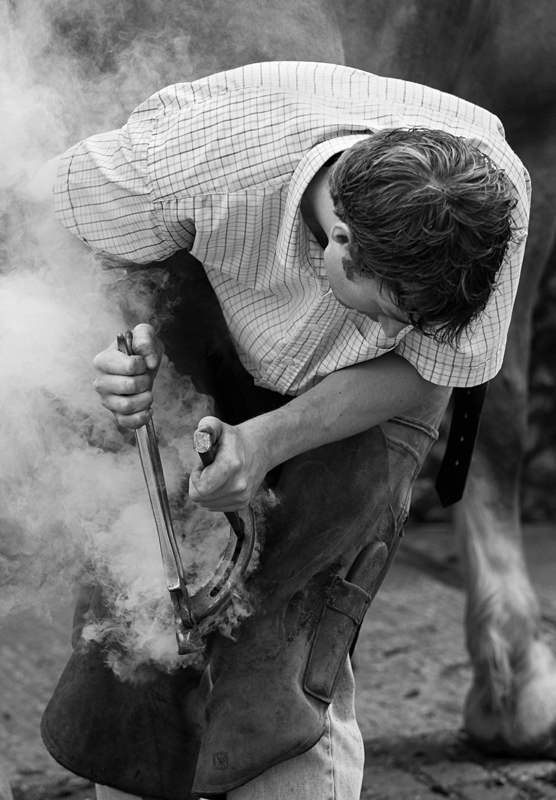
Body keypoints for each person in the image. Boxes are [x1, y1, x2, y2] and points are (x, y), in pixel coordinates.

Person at [31, 61, 529, 800]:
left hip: (370, 397)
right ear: (337, 241)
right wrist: (116, 345)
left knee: (289, 638)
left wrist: (267, 441)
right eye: (388, 315)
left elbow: (430, 367)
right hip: (204, 325)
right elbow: (44, 225)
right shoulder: (182, 158)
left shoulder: (490, 209)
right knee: (144, 618)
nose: (402, 332)